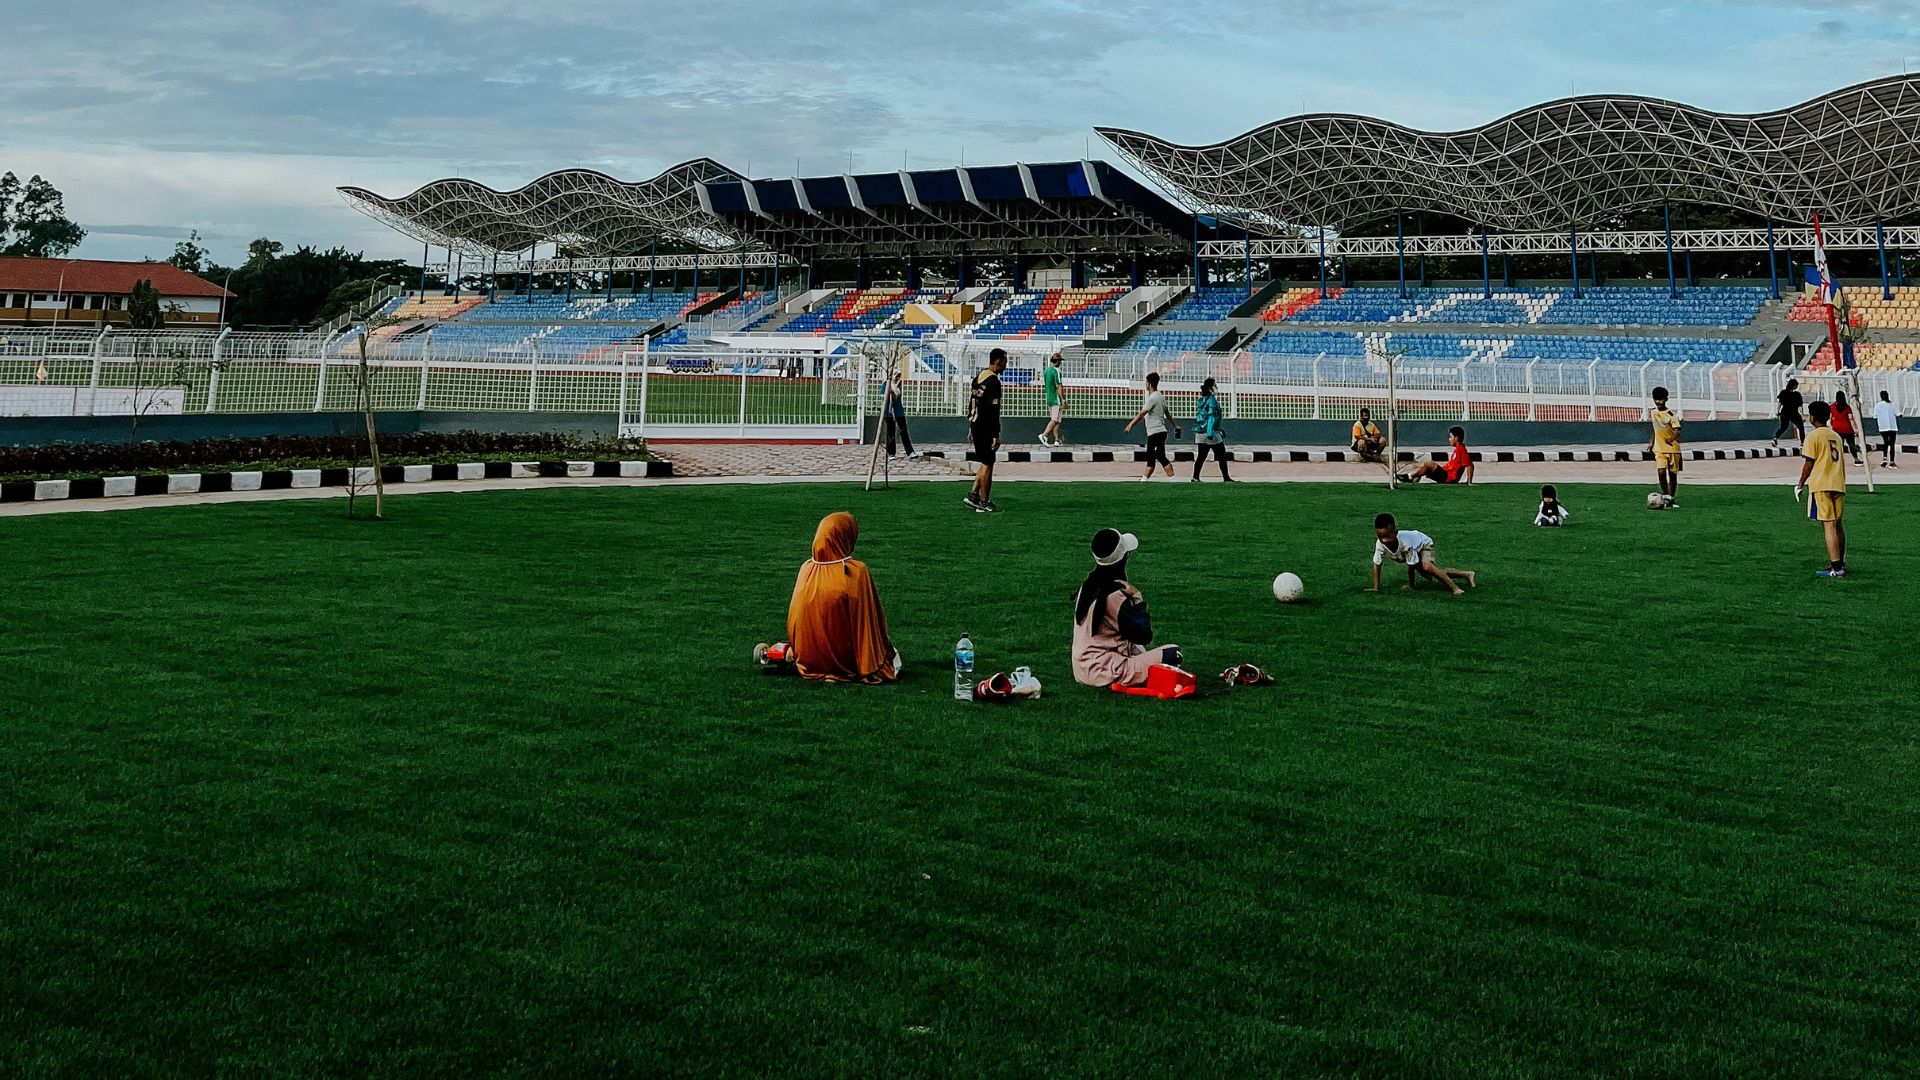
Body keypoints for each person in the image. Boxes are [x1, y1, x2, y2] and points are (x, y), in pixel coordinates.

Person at [785, 512, 902, 682]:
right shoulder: (855, 572)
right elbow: (868, 623)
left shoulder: (806, 568)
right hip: (844, 660)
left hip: (808, 659)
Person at [1072, 528, 1183, 688]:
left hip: (1083, 669)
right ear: (1123, 558)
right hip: (1105, 671)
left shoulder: (1088, 586)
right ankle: (1135, 674)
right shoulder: (1114, 596)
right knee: (1174, 653)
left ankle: (1137, 669)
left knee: (1135, 647)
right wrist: (1137, 599)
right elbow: (1144, 635)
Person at [1794, 400, 1849, 578]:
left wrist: (1800, 483)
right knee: (1838, 524)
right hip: (1838, 483)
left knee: (1828, 525)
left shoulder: (1813, 436)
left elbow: (1809, 462)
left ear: (1812, 417)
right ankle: (1840, 562)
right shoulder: (1835, 436)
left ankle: (1836, 568)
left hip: (1822, 484)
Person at [1367, 512, 1477, 595]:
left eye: (1387, 536)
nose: (1384, 540)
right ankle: (1466, 574)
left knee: (1427, 566)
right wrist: (1375, 587)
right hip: (1415, 550)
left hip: (1423, 544)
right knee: (1429, 574)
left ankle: (1455, 588)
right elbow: (1377, 564)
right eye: (1380, 537)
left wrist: (1411, 584)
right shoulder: (1380, 544)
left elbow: (1411, 566)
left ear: (1395, 533)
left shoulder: (1406, 544)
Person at [964, 349, 1006, 513]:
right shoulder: (994, 382)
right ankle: (984, 502)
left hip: (976, 424)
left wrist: (971, 427)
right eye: (1004, 362)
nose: (1005, 366)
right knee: (988, 463)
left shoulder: (979, 377)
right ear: (997, 362)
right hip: (986, 427)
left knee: (984, 462)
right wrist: (996, 434)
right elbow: (993, 410)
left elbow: (973, 404)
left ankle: (973, 495)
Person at [1123, 371, 1179, 480]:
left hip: (1155, 432)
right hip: (1160, 432)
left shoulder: (1152, 398)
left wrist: (1130, 425)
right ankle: (1146, 479)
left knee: (1155, 457)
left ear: (1149, 384)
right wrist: (1174, 425)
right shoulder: (1160, 397)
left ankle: (1171, 479)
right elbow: (1167, 414)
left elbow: (1142, 413)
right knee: (1155, 456)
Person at [1191, 377, 1234, 482]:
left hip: (1200, 432)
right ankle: (1226, 477)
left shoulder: (1202, 400)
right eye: (1215, 386)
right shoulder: (1212, 401)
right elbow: (1211, 417)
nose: (1216, 388)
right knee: (1222, 456)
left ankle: (1195, 477)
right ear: (1211, 388)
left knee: (1201, 456)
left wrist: (1219, 429)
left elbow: (1203, 417)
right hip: (1209, 433)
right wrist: (1211, 432)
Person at [1397, 426, 1474, 485]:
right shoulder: (1457, 449)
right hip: (1446, 474)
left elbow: (1470, 465)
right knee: (1423, 468)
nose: (1449, 439)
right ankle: (1412, 483)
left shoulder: (1461, 449)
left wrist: (1469, 482)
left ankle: (1408, 476)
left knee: (1428, 463)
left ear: (1456, 438)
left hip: (1448, 477)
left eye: (1450, 437)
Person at [1648, 385, 1681, 506]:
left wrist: (1671, 439)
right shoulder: (1653, 412)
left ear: (1666, 399)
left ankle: (1671, 499)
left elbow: (1678, 430)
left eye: (1661, 399)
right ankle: (1665, 495)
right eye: (1656, 399)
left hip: (1673, 449)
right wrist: (1651, 442)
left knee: (1672, 475)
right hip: (1659, 449)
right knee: (1661, 472)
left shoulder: (1671, 415)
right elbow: (1654, 428)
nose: (1658, 402)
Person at [883, 364, 918, 460]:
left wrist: (895, 389)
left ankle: (910, 451)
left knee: (904, 432)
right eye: (895, 375)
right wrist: (890, 389)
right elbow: (884, 397)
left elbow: (897, 395)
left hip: (899, 412)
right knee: (891, 433)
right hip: (889, 413)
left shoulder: (899, 385)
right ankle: (891, 453)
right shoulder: (886, 384)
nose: (897, 377)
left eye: (899, 375)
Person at [1039, 352, 1067, 447]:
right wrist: (1063, 399)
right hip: (1056, 398)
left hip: (1049, 397)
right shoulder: (1056, 371)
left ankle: (1057, 440)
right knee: (1055, 419)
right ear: (1058, 361)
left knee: (1057, 420)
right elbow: (1059, 385)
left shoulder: (1047, 371)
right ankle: (1044, 435)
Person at [1831, 390, 1864, 466]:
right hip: (1847, 429)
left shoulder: (1832, 406)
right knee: (1851, 444)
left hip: (1836, 429)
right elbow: (1851, 418)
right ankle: (1856, 459)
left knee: (1838, 446)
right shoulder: (1847, 407)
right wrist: (1855, 428)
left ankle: (1837, 460)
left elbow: (1830, 418)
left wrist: (1831, 426)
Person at [1773, 378, 1805, 448]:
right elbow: (1800, 406)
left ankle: (1775, 438)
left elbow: (1780, 403)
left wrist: (1777, 411)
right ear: (1794, 386)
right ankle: (1803, 442)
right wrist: (1802, 415)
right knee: (1801, 427)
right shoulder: (1797, 395)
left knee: (1783, 427)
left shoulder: (1783, 393)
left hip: (1784, 412)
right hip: (1794, 413)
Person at [1874, 390, 1901, 469]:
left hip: (1883, 427)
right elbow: (1899, 414)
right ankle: (1892, 462)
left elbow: (1875, 416)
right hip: (1892, 427)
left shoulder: (1878, 405)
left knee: (1885, 442)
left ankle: (1884, 458)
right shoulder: (1892, 405)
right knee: (1892, 444)